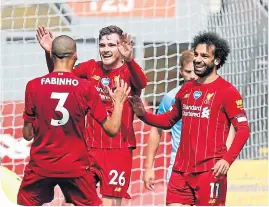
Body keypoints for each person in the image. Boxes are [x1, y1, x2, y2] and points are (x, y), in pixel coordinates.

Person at [129, 31, 250, 206]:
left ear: (216, 60)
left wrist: (227, 159)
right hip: (180, 171)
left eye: (205, 56)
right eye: (196, 54)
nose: (198, 60)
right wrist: (143, 115)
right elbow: (168, 120)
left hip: (210, 172)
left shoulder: (228, 92)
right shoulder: (185, 90)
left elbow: (243, 130)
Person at [36, 25, 147, 206]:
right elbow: (61, 78)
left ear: (121, 47)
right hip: (89, 148)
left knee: (111, 202)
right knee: (71, 201)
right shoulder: (90, 68)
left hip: (118, 149)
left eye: (111, 45)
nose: (105, 49)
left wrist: (130, 60)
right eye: (102, 45)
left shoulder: (129, 71)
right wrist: (52, 54)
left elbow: (141, 83)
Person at [18, 35, 130, 206]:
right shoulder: (86, 88)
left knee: (25, 202)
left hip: (41, 165)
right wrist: (119, 102)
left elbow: (27, 135)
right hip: (75, 167)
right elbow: (112, 129)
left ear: (52, 55)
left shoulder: (33, 86)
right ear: (75, 56)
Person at [143, 50, 197, 189]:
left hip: (206, 163)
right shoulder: (171, 98)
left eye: (196, 71)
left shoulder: (213, 94)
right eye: (188, 71)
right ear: (180, 71)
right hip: (178, 162)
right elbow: (156, 129)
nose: (192, 76)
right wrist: (149, 167)